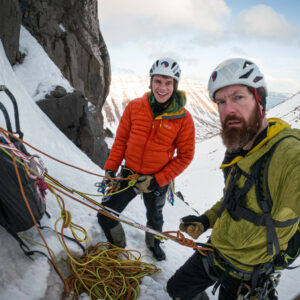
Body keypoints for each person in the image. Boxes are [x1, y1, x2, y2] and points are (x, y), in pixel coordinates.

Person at [167, 58, 300, 299]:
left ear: (259, 99)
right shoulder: (239, 150)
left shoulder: (288, 154)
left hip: (249, 272)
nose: (228, 109)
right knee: (177, 289)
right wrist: (206, 220)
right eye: (221, 102)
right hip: (217, 251)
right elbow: (233, 199)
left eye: (238, 97)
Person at [97, 57, 195, 261]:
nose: (162, 87)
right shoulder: (135, 107)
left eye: (168, 83)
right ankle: (118, 247)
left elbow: (185, 156)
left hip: (157, 179)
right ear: (150, 82)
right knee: (105, 214)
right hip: (130, 174)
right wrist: (110, 169)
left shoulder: (183, 119)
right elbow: (121, 141)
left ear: (175, 86)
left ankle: (153, 243)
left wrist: (158, 180)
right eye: (158, 81)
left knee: (155, 216)